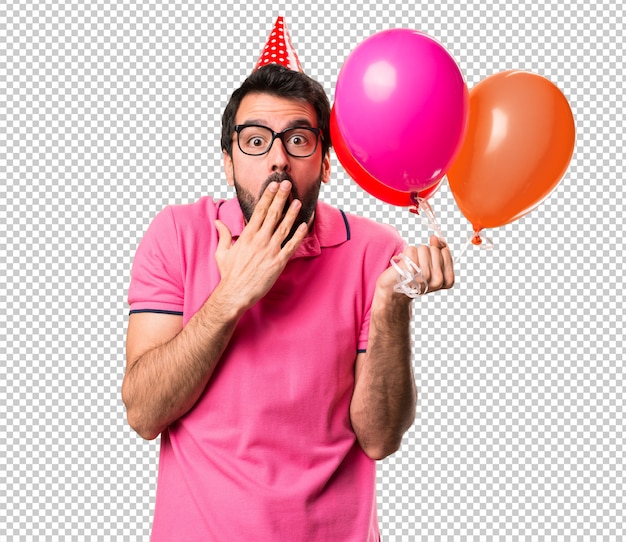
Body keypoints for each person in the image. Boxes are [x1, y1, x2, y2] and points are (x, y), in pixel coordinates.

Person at [122, 20, 453, 542]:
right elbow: (143, 413)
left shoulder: (375, 252)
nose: (278, 159)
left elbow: (380, 438)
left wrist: (391, 304)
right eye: (255, 141)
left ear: (325, 162)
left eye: (298, 140)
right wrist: (231, 295)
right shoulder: (176, 235)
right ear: (228, 161)